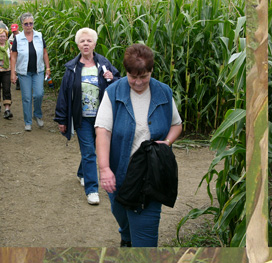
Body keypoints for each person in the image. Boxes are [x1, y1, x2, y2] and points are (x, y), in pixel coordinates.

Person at [95, 43, 182, 247]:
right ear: (126, 72)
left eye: (144, 76)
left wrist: (167, 142)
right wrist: (105, 169)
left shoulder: (163, 92)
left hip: (150, 175)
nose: (138, 82)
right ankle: (127, 237)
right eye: (133, 77)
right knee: (121, 213)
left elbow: (176, 125)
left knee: (145, 234)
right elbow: (103, 132)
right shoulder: (114, 92)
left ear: (151, 70)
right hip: (120, 172)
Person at [55, 28, 119, 205]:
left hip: (102, 118)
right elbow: (64, 94)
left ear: (95, 44)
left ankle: (82, 173)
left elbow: (119, 82)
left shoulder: (104, 64)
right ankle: (92, 190)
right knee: (90, 152)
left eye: (89, 41)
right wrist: (62, 119)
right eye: (82, 41)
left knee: (93, 151)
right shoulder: (72, 68)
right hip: (82, 118)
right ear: (77, 44)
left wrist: (112, 78)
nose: (86, 44)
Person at [10, 12, 51, 131]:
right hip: (24, 72)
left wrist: (48, 68)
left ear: (33, 24)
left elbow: (44, 52)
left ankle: (37, 114)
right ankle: (28, 122)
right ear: (22, 25)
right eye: (26, 24)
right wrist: (13, 73)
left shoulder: (39, 35)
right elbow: (13, 56)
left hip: (38, 70)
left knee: (39, 94)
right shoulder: (18, 38)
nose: (28, 26)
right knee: (26, 97)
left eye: (31, 23)